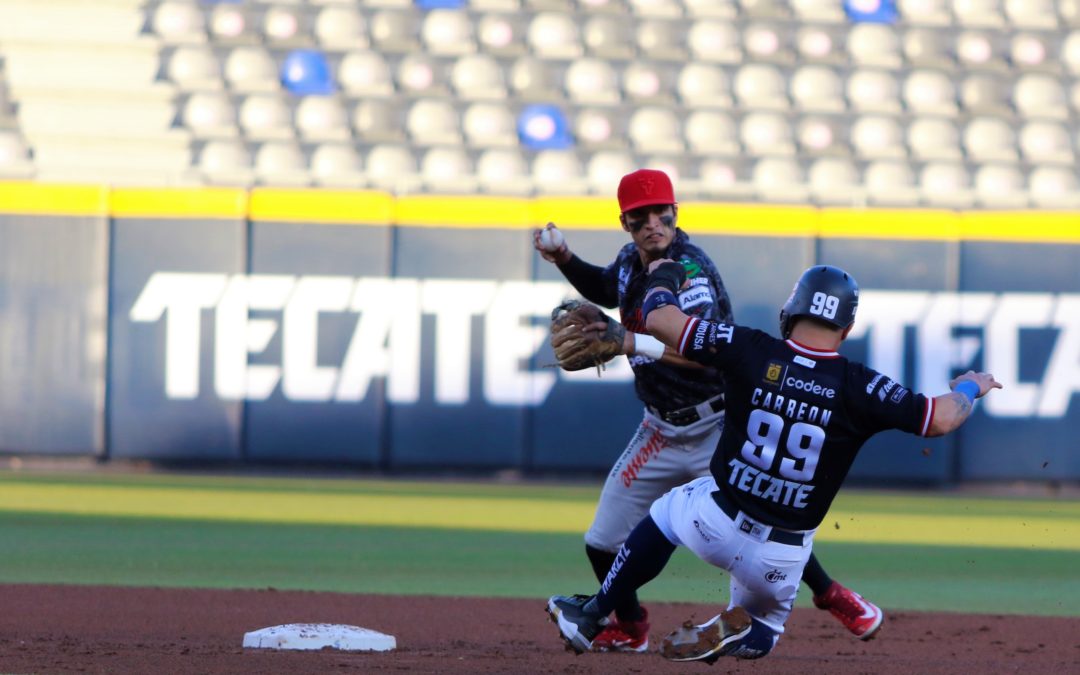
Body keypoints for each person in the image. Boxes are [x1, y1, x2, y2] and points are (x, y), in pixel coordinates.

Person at [546, 262, 1002, 662]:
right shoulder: (861, 387)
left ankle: (592, 613)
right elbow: (941, 419)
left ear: (791, 311)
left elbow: (662, 320)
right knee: (767, 628)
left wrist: (664, 274)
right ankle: (746, 632)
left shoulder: (751, 349)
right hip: (783, 555)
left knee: (666, 513)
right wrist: (969, 386)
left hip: (715, 521)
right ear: (845, 328)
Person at [534, 169, 885, 653]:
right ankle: (631, 627)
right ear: (626, 224)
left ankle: (832, 595)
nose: (655, 224)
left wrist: (625, 341)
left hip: (719, 423)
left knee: (764, 519)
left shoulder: (689, 272)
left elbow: (706, 349)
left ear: (677, 214)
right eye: (642, 218)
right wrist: (565, 259)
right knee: (601, 540)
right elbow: (606, 287)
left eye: (664, 214)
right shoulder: (630, 262)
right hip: (658, 427)